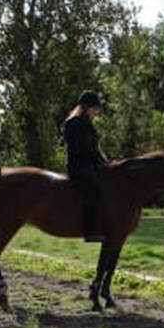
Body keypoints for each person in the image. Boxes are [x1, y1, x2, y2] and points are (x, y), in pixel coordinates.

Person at [62, 90, 108, 242]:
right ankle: (90, 231)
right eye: (96, 108)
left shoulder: (83, 121)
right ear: (89, 107)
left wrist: (105, 161)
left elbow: (94, 147)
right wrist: (100, 160)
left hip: (88, 165)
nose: (97, 111)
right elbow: (85, 149)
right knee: (93, 191)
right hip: (79, 167)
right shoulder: (77, 122)